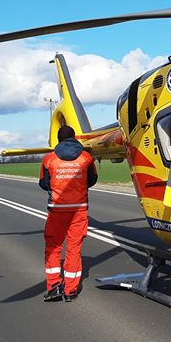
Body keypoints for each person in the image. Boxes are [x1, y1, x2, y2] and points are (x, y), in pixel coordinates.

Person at [38, 125, 98, 302]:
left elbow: (43, 183)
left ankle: (54, 287)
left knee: (53, 247)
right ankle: (71, 290)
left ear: (58, 139)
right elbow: (92, 179)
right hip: (79, 209)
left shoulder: (49, 159)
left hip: (57, 210)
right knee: (74, 249)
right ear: (74, 138)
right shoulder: (86, 157)